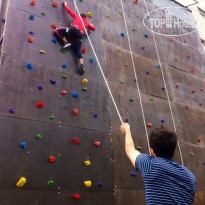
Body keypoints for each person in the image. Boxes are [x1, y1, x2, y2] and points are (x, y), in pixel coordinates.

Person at [120, 123, 196, 205]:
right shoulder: (191, 177)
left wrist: (127, 129)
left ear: (152, 150)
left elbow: (130, 150)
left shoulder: (150, 165)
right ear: (173, 149)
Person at [54, 1, 95, 75]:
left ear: (81, 16)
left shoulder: (77, 16)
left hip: (74, 29)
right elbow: (93, 28)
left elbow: (69, 11)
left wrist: (65, 5)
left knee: (57, 30)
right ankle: (81, 64)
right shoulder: (86, 23)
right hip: (80, 35)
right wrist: (91, 25)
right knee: (78, 50)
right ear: (85, 18)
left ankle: (66, 42)